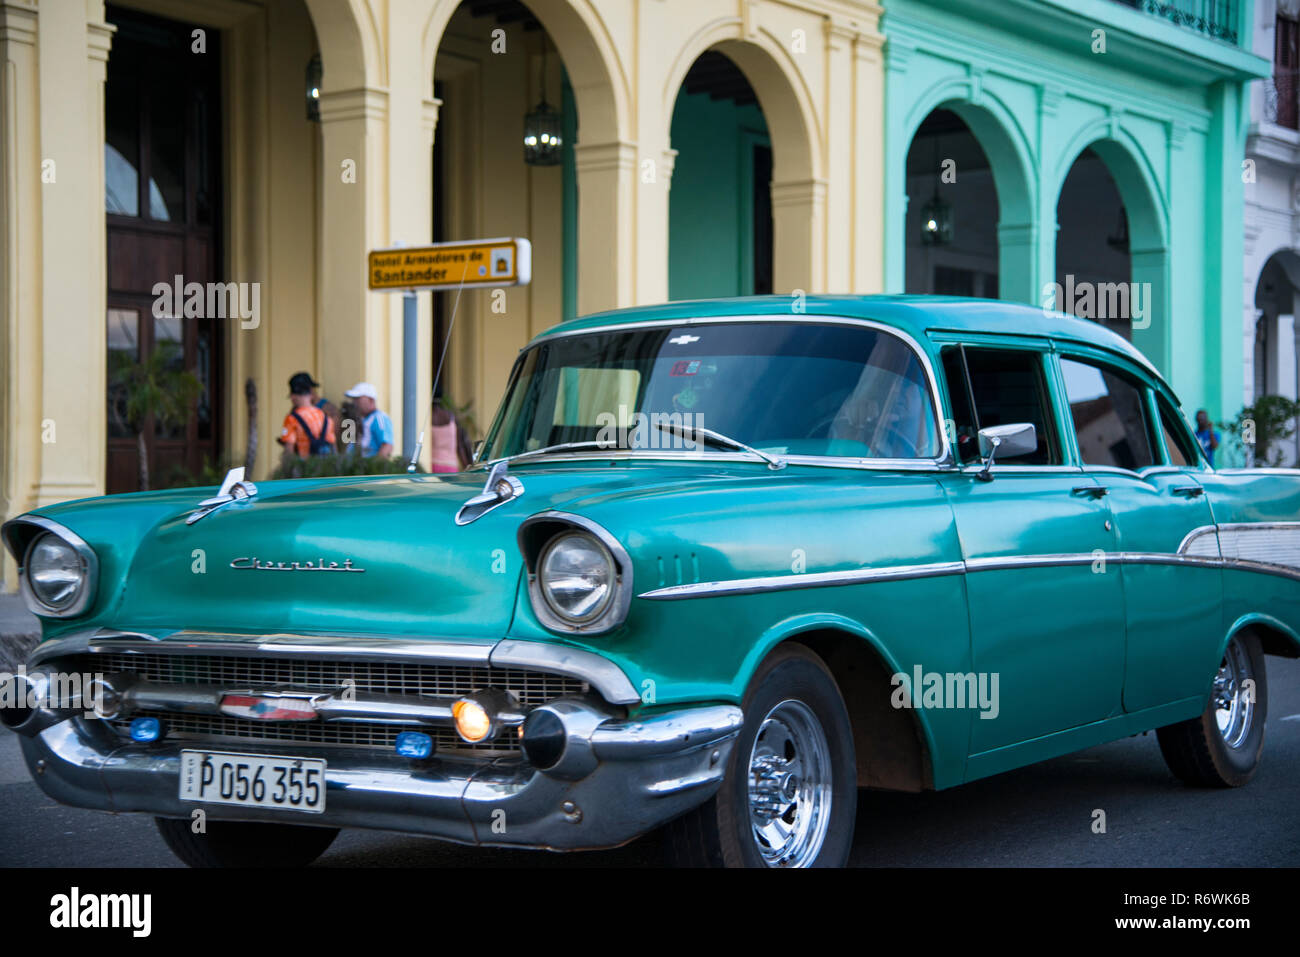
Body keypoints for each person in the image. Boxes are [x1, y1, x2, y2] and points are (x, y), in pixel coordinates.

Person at [278, 372, 335, 459]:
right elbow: (333, 449)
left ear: (293, 396)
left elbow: (289, 452)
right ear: (310, 393)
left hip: (304, 470)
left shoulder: (292, 419)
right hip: (324, 470)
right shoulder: (326, 418)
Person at [344, 382, 394, 458]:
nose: (354, 403)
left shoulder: (379, 417)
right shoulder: (358, 419)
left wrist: (375, 466)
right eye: (354, 399)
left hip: (368, 467)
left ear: (371, 400)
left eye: (358, 399)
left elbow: (387, 446)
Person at [428, 401, 473, 473]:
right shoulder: (451, 417)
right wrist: (467, 468)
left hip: (432, 465)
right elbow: (460, 446)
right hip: (450, 466)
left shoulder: (429, 417)